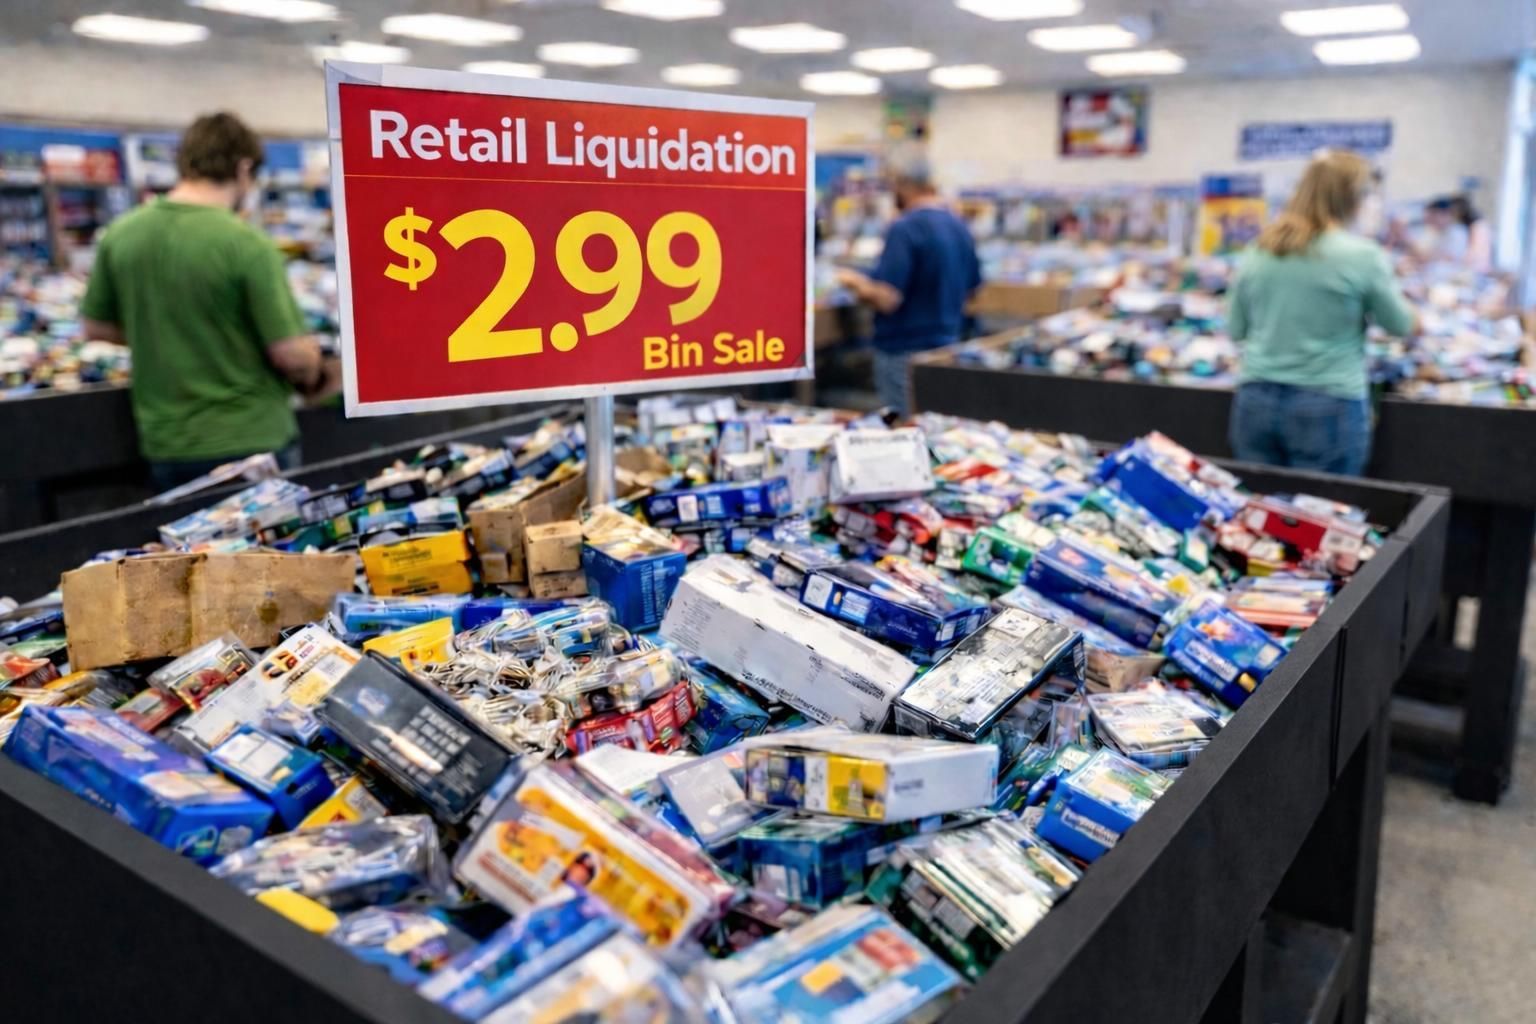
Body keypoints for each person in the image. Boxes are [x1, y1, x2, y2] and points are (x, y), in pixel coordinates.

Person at [81, 111, 338, 491]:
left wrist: (165, 330)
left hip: (165, 442)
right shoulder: (245, 244)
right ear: (243, 168)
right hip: (250, 441)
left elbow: (96, 327)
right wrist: (318, 364)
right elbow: (291, 355)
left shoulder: (122, 234)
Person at [1227, 150, 1417, 476]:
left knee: (1257, 517)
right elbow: (1400, 325)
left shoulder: (1260, 249)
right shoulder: (1362, 256)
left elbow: (1236, 329)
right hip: (1329, 403)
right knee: (1323, 520)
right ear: (1353, 197)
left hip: (1255, 400)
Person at [837, 164, 981, 414]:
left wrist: (853, 282)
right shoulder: (958, 227)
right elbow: (972, 290)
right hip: (946, 347)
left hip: (903, 350)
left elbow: (887, 298)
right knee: (935, 427)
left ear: (905, 187)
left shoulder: (904, 228)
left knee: (904, 431)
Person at [1419, 194, 1493, 272]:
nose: (1429, 221)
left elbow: (1461, 260)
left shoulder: (1465, 230)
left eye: (1433, 217)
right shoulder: (1432, 231)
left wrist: (1433, 256)